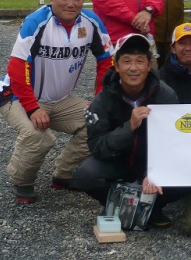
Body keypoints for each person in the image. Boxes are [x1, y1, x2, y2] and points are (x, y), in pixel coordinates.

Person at [0, 0, 114, 203]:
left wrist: (101, 99)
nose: (71, 3)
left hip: (60, 99)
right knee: (38, 136)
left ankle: (64, 174)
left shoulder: (91, 22)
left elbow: (106, 61)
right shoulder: (37, 21)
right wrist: (32, 108)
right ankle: (22, 181)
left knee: (98, 124)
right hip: (17, 96)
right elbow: (17, 67)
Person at [71, 34, 184, 229]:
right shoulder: (103, 98)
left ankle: (153, 206)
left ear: (149, 65)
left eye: (140, 61)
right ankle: (115, 203)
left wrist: (155, 171)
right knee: (84, 175)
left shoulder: (165, 94)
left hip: (150, 164)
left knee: (188, 174)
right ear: (116, 66)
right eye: (126, 61)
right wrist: (128, 127)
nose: (133, 68)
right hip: (118, 163)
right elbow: (97, 146)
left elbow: (175, 142)